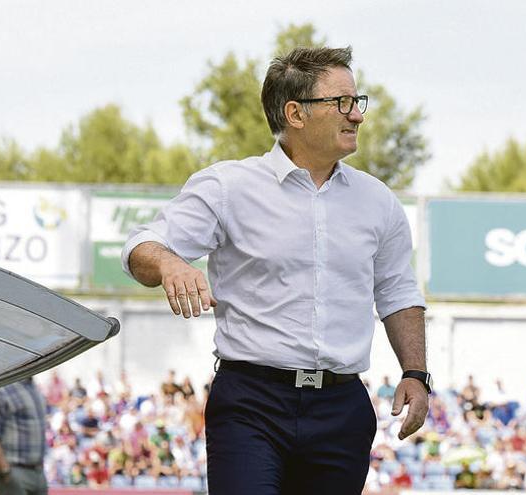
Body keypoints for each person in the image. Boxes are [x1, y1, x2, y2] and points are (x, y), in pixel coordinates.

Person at [122, 46, 430, 495]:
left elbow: (399, 292)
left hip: (342, 408)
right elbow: (139, 247)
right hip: (251, 402)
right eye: (341, 102)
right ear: (295, 113)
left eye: (356, 101)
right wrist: (170, 263)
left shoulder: (377, 200)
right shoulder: (228, 186)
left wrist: (416, 374)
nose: (357, 115)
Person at [0, 378, 48, 495]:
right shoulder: (1, 389)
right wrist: (5, 471)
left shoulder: (32, 386)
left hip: (37, 470)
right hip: (13, 470)